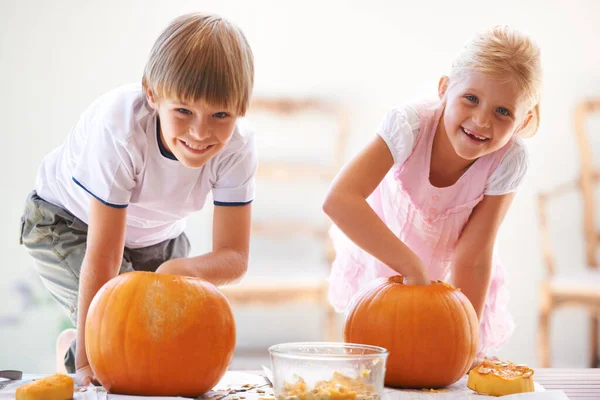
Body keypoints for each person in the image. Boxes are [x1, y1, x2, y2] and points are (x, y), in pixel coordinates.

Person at [19, 12, 257, 383]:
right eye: (183, 110)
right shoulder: (121, 129)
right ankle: (75, 353)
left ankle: (72, 345)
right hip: (67, 223)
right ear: (152, 94)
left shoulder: (239, 147)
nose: (200, 132)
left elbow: (235, 256)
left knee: (163, 349)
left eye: (220, 114)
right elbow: (104, 254)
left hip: (158, 235)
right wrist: (87, 364)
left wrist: (186, 270)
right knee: (117, 346)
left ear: (241, 109)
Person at [323, 25, 541, 362]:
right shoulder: (410, 125)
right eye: (471, 98)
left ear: (523, 121)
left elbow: (475, 254)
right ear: (444, 89)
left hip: (451, 282)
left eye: (503, 112)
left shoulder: (509, 158)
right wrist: (410, 266)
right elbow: (340, 200)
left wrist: (465, 343)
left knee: (438, 367)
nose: (481, 121)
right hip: (384, 263)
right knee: (381, 364)